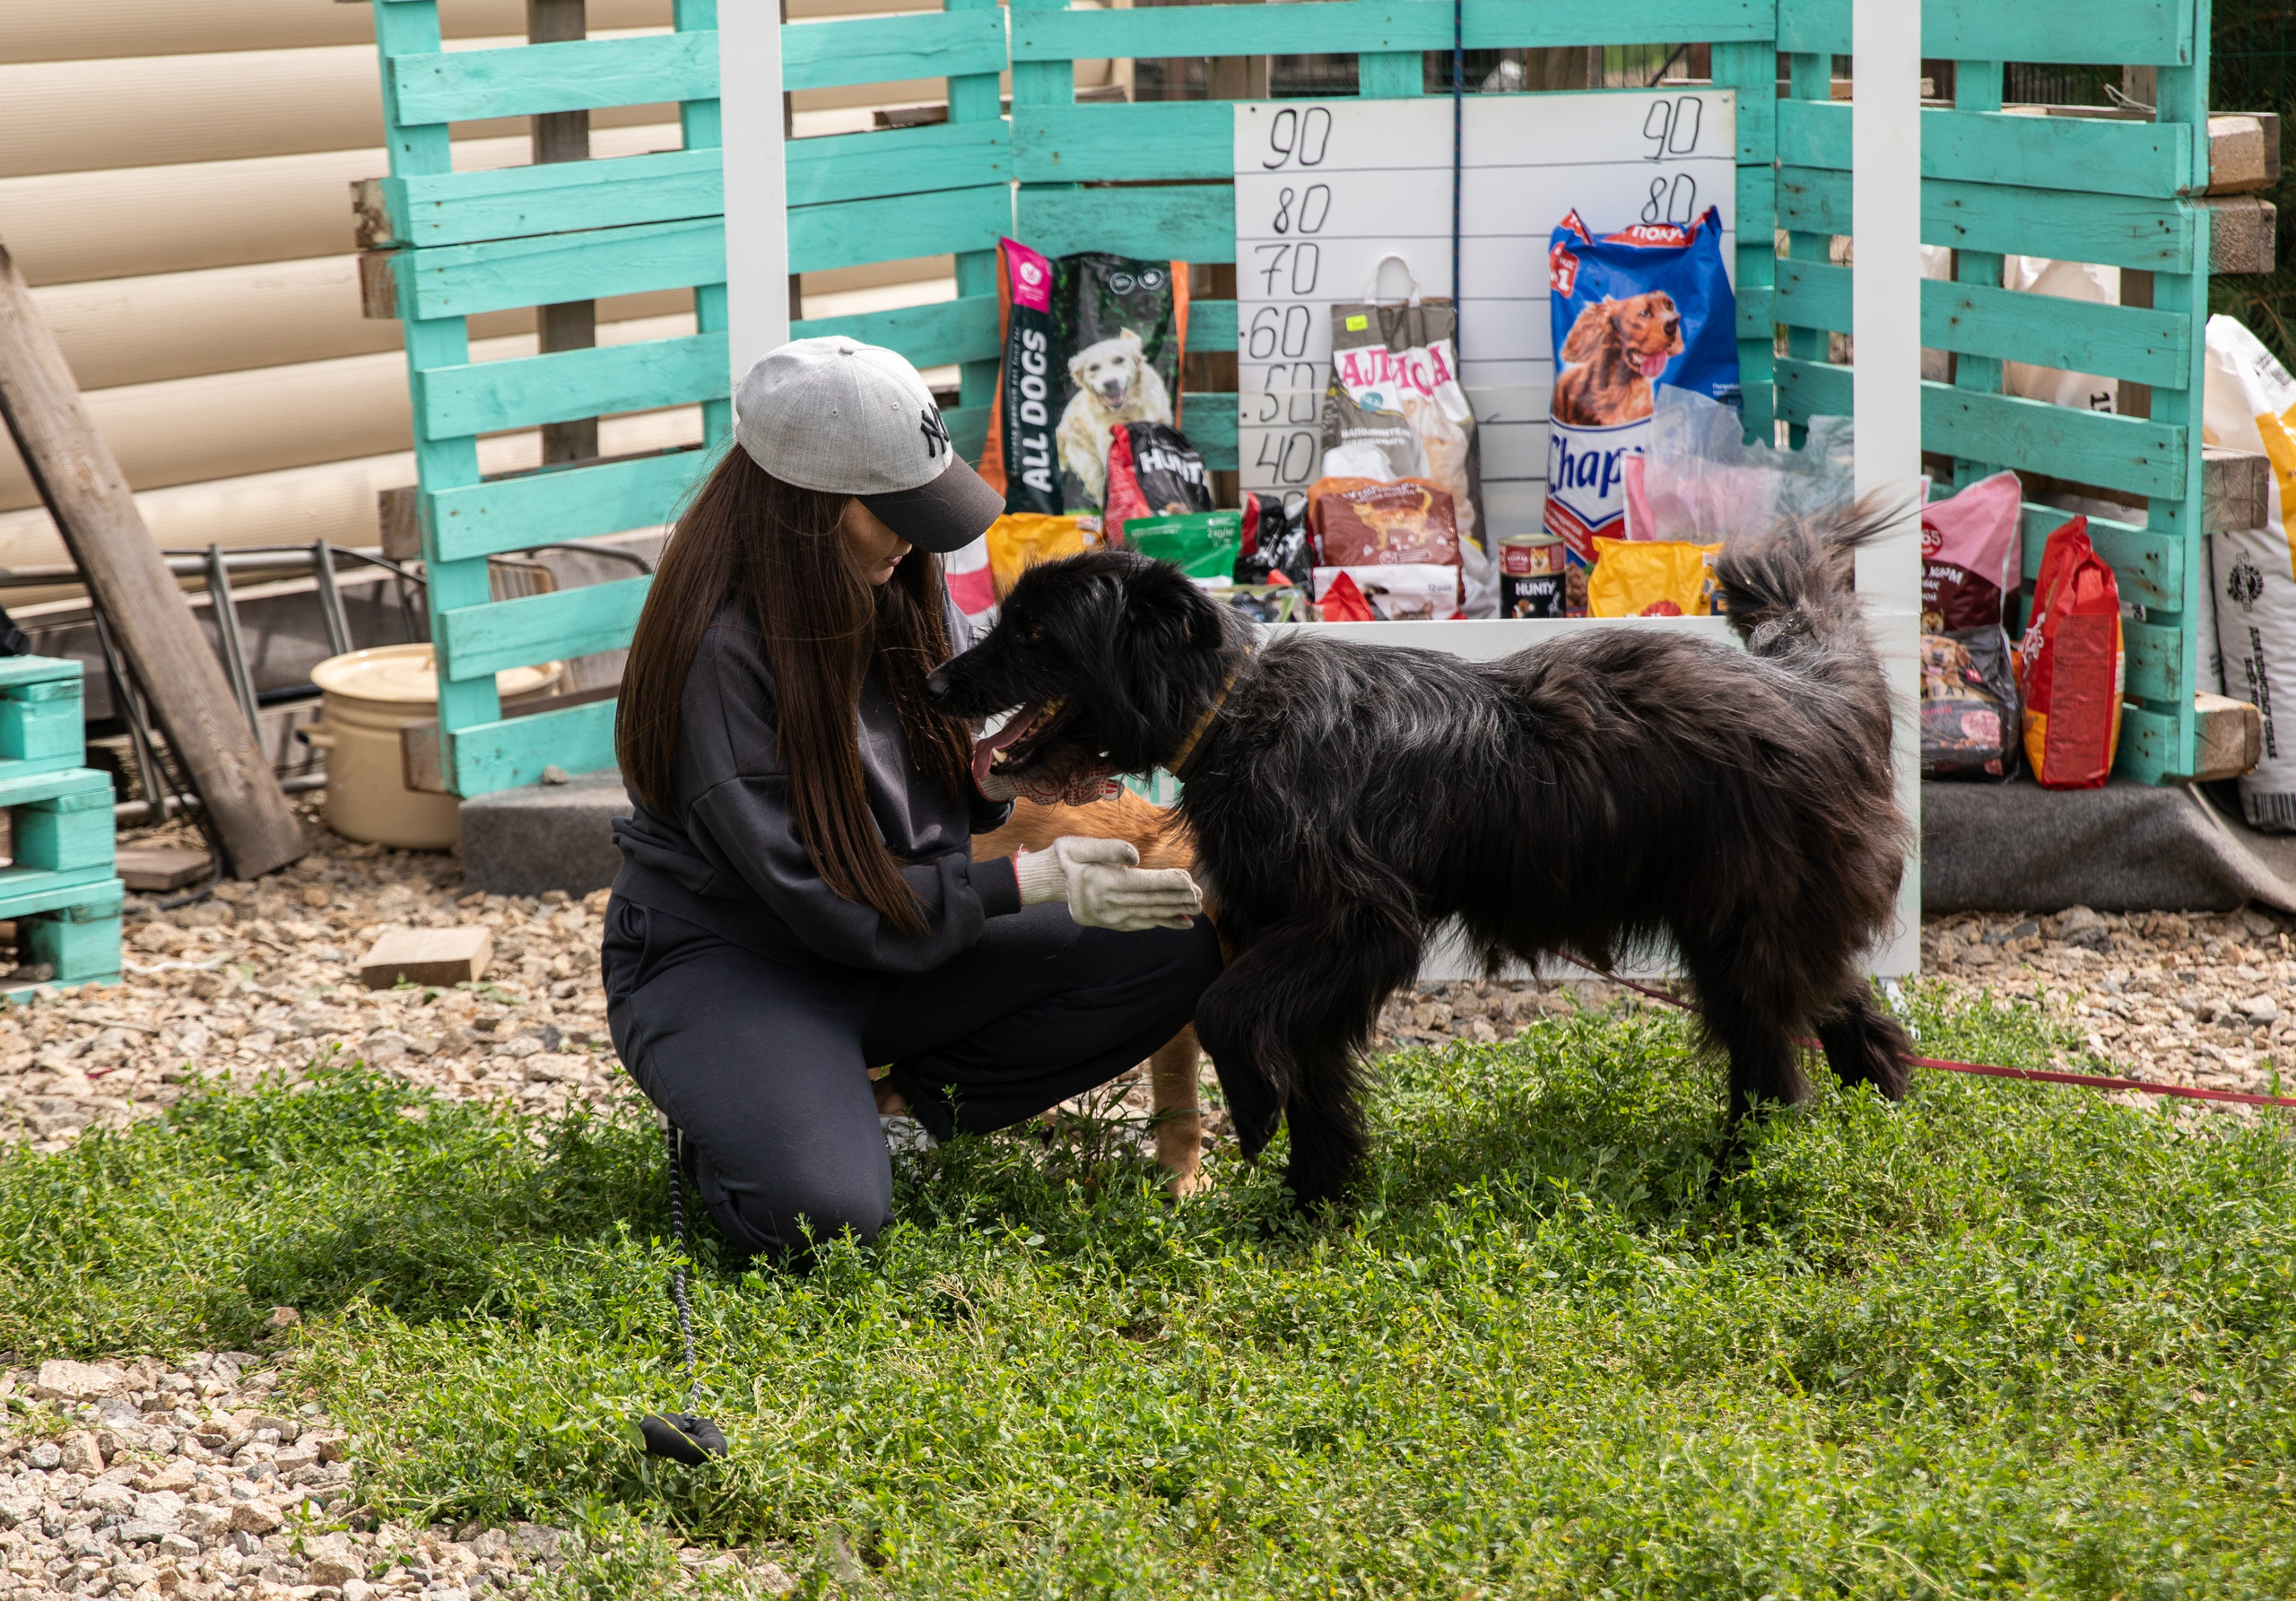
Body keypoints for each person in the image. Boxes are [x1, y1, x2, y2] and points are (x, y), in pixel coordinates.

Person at [604, 337, 1221, 1260]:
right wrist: (1025, 881)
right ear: (803, 506)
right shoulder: (721, 656)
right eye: (891, 511)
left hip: (887, 946)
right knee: (818, 1221)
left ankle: (887, 1117)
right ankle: (762, 1112)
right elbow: (823, 900)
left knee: (1167, 944)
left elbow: (901, 796)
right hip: (737, 965)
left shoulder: (881, 583)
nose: (913, 537)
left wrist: (991, 786)